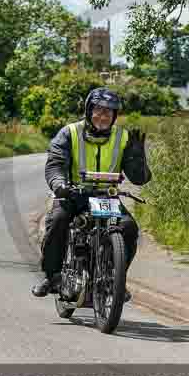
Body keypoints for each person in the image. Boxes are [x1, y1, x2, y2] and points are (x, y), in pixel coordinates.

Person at [31, 87, 152, 300]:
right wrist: (59, 184)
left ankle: (114, 279)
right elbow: (55, 165)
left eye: (109, 112)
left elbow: (139, 179)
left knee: (129, 227)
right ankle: (52, 276)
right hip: (73, 194)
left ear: (115, 116)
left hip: (106, 197)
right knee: (58, 220)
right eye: (98, 110)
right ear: (89, 110)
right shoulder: (70, 133)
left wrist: (137, 158)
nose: (103, 116)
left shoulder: (122, 137)